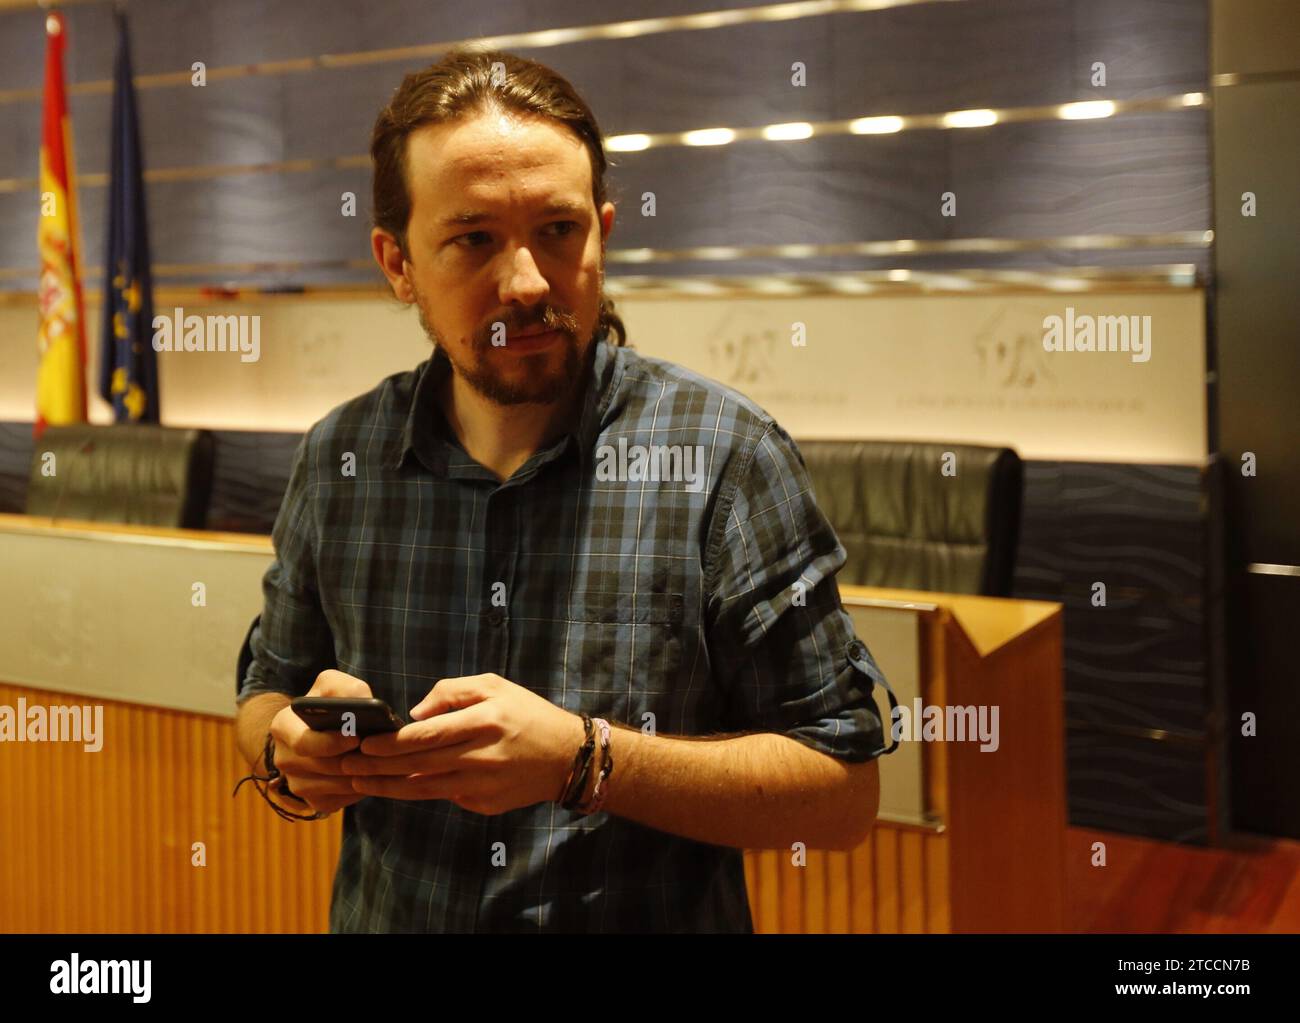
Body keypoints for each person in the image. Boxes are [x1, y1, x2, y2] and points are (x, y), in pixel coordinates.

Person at [235, 46, 896, 933]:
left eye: (558, 230)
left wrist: (586, 762)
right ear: (397, 263)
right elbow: (263, 696)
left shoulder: (724, 458)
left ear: (604, 231)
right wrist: (292, 752)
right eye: (474, 240)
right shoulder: (339, 458)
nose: (529, 282)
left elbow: (842, 795)